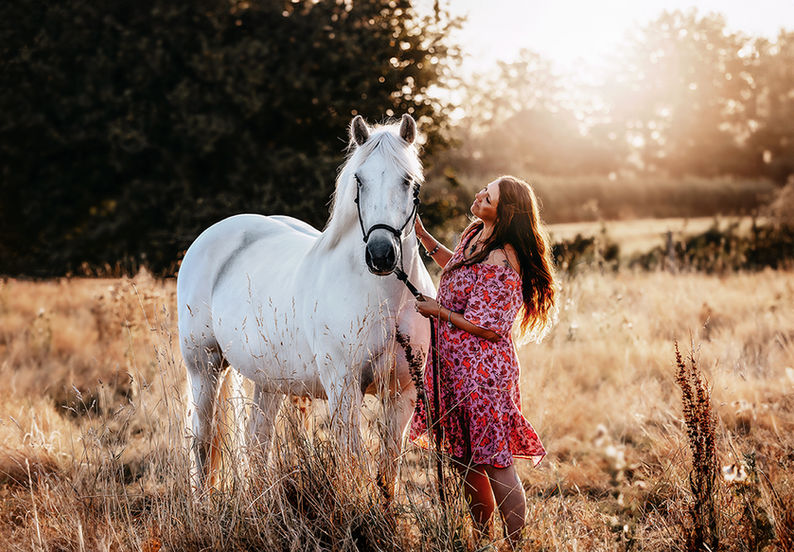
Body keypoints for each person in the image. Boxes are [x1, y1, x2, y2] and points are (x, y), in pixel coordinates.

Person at [410, 175, 558, 547]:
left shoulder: (503, 258)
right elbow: (456, 269)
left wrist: (438, 311)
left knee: (494, 461)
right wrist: (424, 236)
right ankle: (482, 539)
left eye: (487, 197)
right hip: (451, 367)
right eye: (483, 189)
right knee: (463, 459)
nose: (478, 196)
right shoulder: (476, 234)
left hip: (482, 373)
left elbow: (487, 328)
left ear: (504, 211)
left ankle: (515, 544)